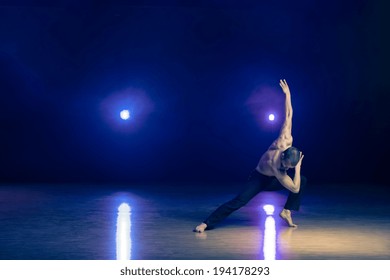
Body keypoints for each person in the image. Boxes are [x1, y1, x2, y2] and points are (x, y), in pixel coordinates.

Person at [194, 79, 306, 233]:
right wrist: (298, 168)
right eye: (288, 165)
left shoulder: (286, 139)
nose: (288, 168)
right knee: (239, 201)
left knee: (303, 180)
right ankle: (206, 223)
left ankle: (286, 211)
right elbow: (294, 188)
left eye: (291, 167)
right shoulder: (277, 165)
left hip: (273, 180)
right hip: (259, 178)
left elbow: (289, 115)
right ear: (284, 157)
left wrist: (287, 94)